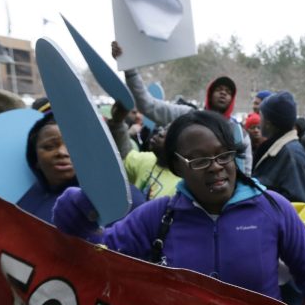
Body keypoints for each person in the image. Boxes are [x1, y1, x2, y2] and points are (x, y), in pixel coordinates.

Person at [52, 110, 305, 305]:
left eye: (223, 155)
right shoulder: (158, 215)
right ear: (177, 167)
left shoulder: (273, 209)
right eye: (199, 160)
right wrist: (77, 221)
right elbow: (98, 256)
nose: (216, 167)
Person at [111, 41, 252, 174]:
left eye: (228, 92)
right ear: (209, 93)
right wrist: (129, 69)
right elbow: (148, 105)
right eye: (219, 89)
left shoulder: (239, 134)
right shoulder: (188, 116)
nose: (223, 93)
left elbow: (246, 172)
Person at [18, 112, 146, 223]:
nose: (62, 152)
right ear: (35, 159)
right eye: (49, 146)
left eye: (73, 145)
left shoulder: (122, 196)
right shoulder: (26, 197)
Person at [253, 91, 305, 207]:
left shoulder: (292, 155)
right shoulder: (277, 149)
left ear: (268, 122)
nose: (259, 121)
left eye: (261, 116)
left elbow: (300, 208)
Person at [108, 103, 180, 200]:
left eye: (170, 133)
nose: (161, 133)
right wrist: (118, 122)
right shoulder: (148, 159)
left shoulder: (180, 187)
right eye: (164, 128)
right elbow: (124, 155)